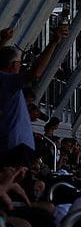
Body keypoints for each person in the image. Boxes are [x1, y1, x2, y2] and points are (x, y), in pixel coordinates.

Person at [0, 24, 62, 164]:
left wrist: (3, 41)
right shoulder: (7, 81)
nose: (20, 66)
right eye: (20, 63)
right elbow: (35, 73)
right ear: (14, 65)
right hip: (15, 148)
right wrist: (53, 43)